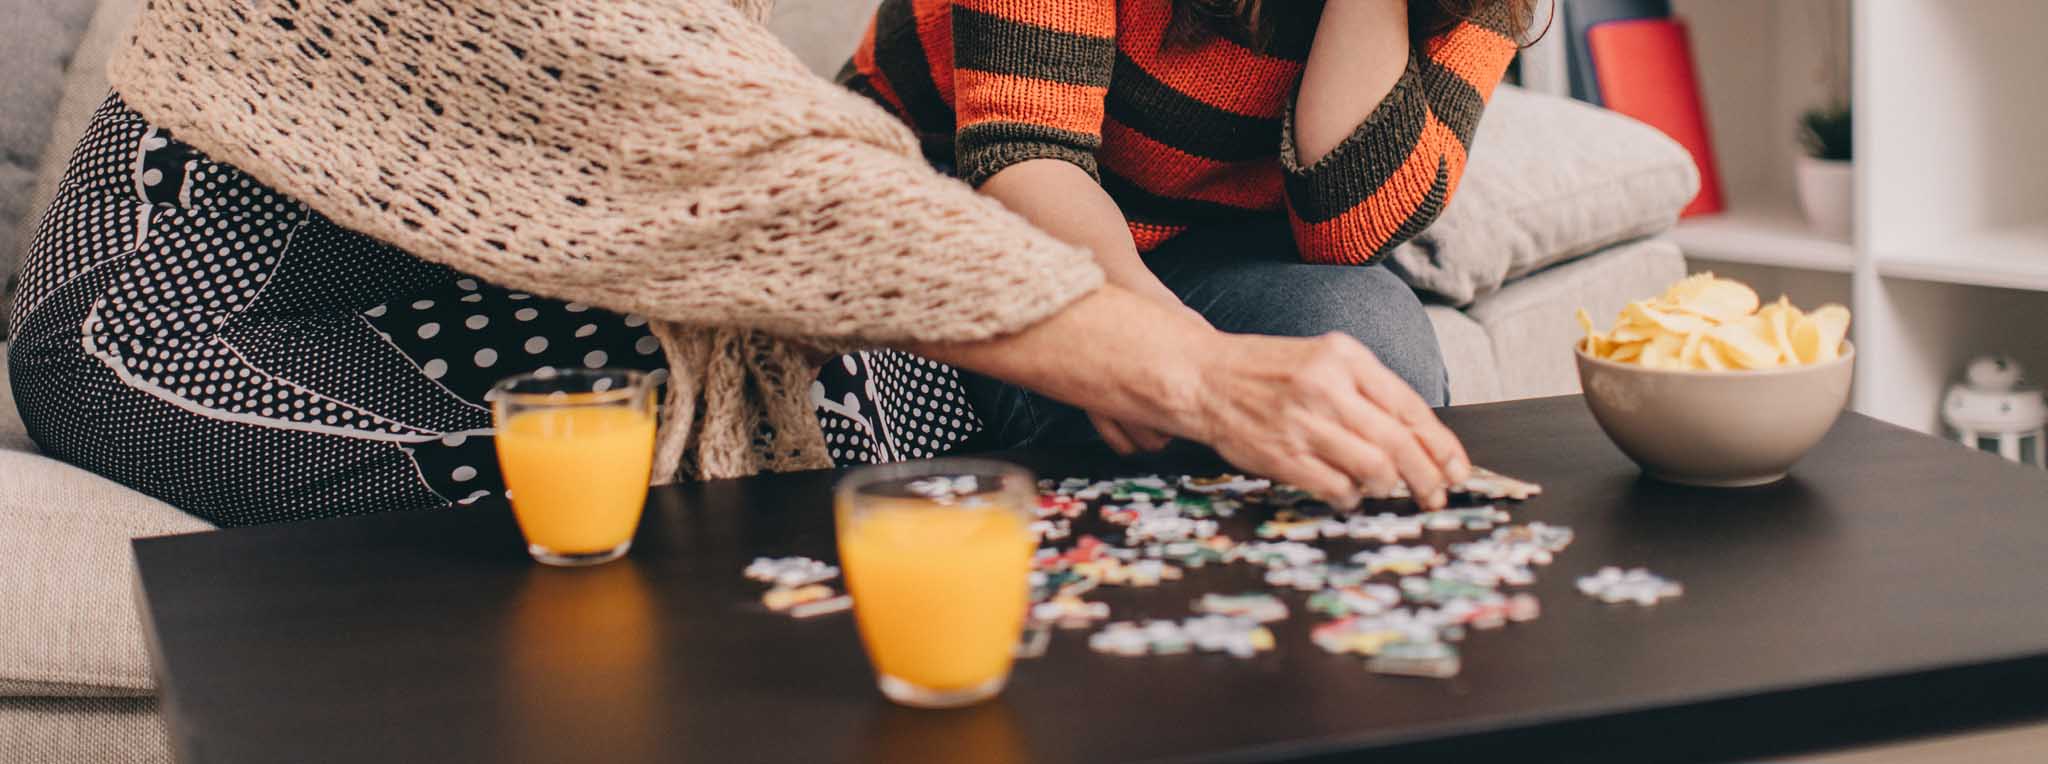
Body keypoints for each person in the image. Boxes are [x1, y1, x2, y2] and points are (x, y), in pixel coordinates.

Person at [6, 0, 1468, 528]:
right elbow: (742, 150)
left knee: (823, 413)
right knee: (758, 478)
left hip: (496, 274)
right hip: (195, 317)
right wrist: (1186, 366)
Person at [841, 0, 1531, 450]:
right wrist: (1178, 360)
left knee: (1374, 352)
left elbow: (1353, 231)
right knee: (1151, 417)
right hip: (968, 210)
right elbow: (1026, 155)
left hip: (1202, 237)